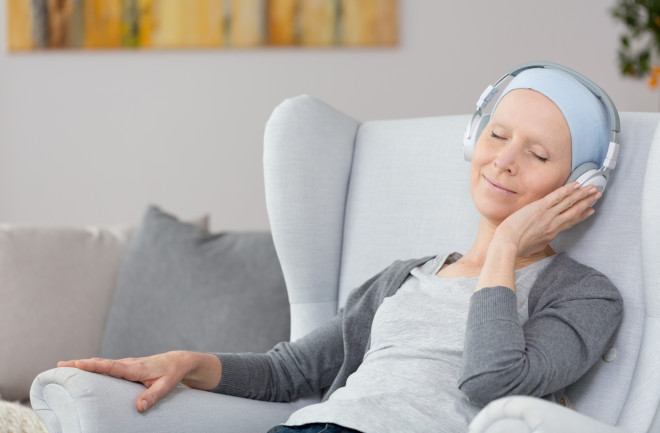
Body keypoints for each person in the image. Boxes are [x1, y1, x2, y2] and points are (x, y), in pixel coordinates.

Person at [58, 63, 624, 433]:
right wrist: (191, 363)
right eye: (497, 136)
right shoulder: (403, 278)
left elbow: (491, 381)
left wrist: (504, 248)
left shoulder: (585, 296)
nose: (503, 159)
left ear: (583, 185)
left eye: (538, 155)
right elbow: (292, 371)